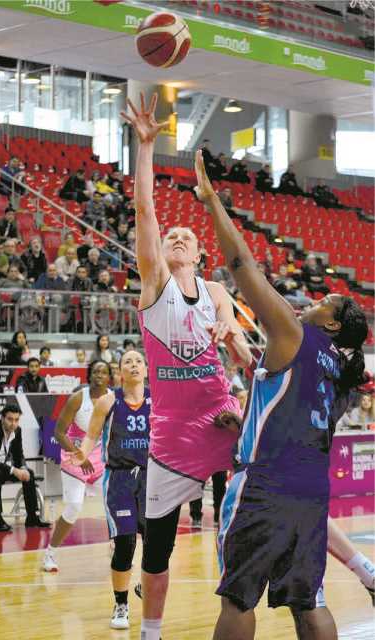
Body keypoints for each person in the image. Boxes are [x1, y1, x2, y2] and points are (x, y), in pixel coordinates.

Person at [194, 147, 369, 640]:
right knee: (309, 601)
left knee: (238, 598)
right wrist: (247, 422)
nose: (313, 300)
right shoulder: (340, 373)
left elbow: (241, 263)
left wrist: (211, 201)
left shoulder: (294, 333)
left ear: (332, 324)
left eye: (324, 301)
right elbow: (291, 415)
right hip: (312, 494)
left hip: (265, 486)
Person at [121, 93, 251, 640]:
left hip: (221, 417)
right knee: (157, 550)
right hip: (171, 434)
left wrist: (229, 328)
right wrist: (146, 147)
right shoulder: (155, 285)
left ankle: (356, 570)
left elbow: (232, 325)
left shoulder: (215, 289)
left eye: (187, 237)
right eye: (171, 236)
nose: (176, 237)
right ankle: (150, 632)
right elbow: (145, 212)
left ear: (199, 255)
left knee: (271, 492)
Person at [69, 350, 150, 630]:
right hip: (119, 479)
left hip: (152, 479)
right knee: (125, 544)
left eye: (139, 361)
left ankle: (147, 584)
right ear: (120, 372)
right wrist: (82, 453)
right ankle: (121, 604)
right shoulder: (108, 401)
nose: (134, 365)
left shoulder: (158, 400)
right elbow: (92, 435)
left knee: (156, 544)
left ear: (146, 369)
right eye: (128, 361)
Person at [42, 360, 112, 572]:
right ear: (89, 375)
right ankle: (50, 554)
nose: (99, 375)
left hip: (100, 459)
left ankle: (117, 548)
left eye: (104, 372)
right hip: (74, 456)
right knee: (74, 507)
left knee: (115, 503)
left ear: (109, 377)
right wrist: (80, 455)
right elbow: (59, 432)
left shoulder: (113, 398)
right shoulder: (77, 398)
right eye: (96, 371)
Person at [0, 404, 50, 532]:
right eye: (10, 419)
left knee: (29, 473)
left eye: (16, 420)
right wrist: (14, 470)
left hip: (1, 467)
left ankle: (32, 517)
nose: (13, 423)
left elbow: (19, 454)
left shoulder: (17, 431)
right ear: (2, 418)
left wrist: (23, 467)